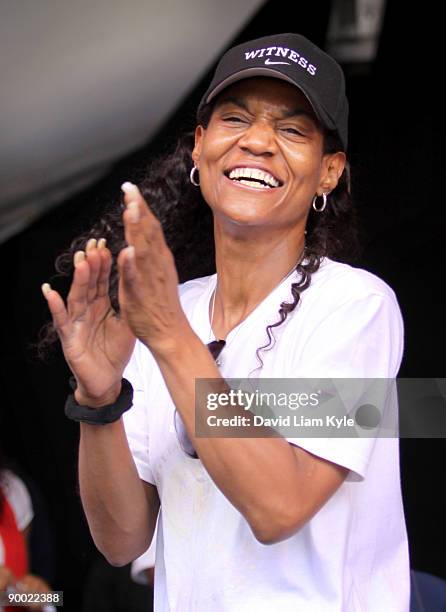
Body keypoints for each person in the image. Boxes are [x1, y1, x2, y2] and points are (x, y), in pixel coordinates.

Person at [40, 33, 410, 610]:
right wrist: (98, 398)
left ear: (329, 172)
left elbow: (278, 507)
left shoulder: (357, 307)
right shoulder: (171, 311)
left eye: (291, 130)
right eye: (235, 118)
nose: (258, 141)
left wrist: (167, 336)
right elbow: (122, 540)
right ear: (200, 146)